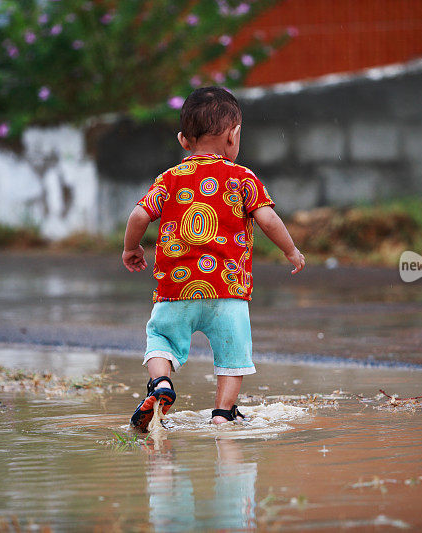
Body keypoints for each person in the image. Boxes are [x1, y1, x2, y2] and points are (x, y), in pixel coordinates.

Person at [123, 86, 305, 431]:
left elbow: (137, 217)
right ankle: (223, 413)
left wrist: (132, 248)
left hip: (176, 290)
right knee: (232, 358)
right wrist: (290, 250)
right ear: (234, 137)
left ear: (183, 140)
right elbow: (268, 219)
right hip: (228, 292)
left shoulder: (169, 179)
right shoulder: (243, 178)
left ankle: (160, 383)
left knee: (161, 340)